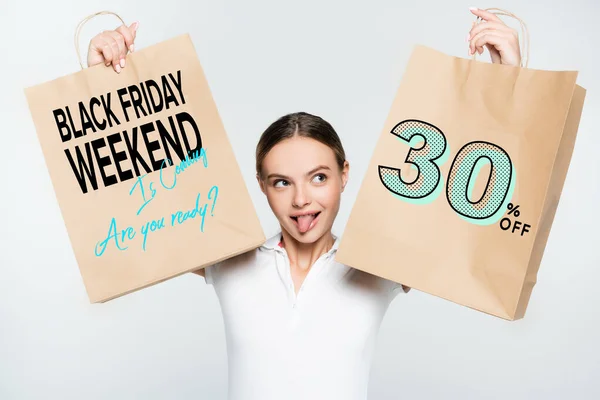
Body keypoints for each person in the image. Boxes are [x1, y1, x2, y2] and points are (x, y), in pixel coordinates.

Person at [87, 7, 521, 400]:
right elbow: (137, 190)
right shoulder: (226, 257)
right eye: (281, 182)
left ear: (343, 175)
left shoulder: (379, 263)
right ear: (261, 186)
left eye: (318, 178)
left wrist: (509, 78)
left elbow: (472, 203)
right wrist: (99, 81)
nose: (301, 200)